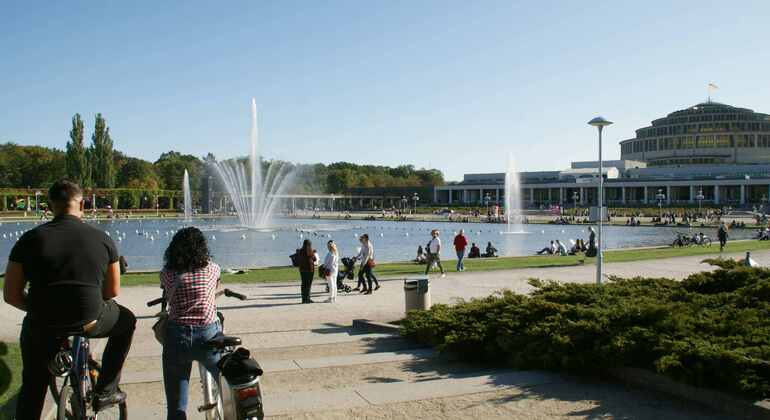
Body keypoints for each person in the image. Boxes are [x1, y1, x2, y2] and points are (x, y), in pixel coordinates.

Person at [4, 180, 136, 419]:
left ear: (50, 206)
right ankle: (106, 389)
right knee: (126, 321)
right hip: (90, 320)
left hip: (42, 324)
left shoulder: (29, 240)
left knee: (33, 386)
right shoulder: (102, 239)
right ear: (82, 205)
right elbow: (112, 291)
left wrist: (36, 307)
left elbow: (11, 295)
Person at [160, 227, 222, 419]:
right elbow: (215, 286)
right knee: (226, 381)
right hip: (207, 335)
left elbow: (166, 290)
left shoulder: (167, 273)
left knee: (176, 405)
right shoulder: (211, 269)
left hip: (177, 337)